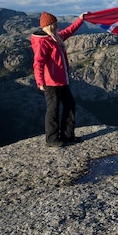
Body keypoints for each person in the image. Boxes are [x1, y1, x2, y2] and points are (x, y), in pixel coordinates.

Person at [31, 11, 86, 147]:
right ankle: (52, 139)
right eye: (55, 24)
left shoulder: (54, 37)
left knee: (70, 105)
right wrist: (40, 81)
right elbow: (38, 62)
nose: (57, 26)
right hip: (51, 82)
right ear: (49, 26)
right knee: (53, 109)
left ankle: (68, 136)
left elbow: (69, 31)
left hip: (61, 80)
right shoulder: (43, 42)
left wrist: (80, 20)